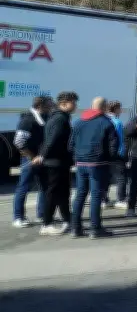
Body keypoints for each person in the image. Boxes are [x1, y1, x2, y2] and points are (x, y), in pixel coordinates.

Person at [70, 97, 119, 239]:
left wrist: (77, 157)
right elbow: (113, 146)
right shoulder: (106, 123)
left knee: (80, 194)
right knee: (96, 195)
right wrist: (110, 159)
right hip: (98, 164)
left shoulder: (78, 122)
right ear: (104, 108)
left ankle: (75, 228)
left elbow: (71, 144)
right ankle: (95, 228)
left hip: (81, 163)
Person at [36, 91, 78, 236]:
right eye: (73, 102)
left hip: (59, 162)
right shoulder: (60, 119)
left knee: (63, 193)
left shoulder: (58, 117)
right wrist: (42, 156)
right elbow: (52, 140)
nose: (75, 105)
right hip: (55, 163)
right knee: (53, 193)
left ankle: (68, 220)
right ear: (64, 103)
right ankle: (46, 223)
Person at [11, 95, 51, 228]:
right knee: (24, 187)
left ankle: (42, 214)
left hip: (40, 158)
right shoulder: (28, 120)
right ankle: (18, 217)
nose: (51, 106)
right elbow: (18, 142)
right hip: (30, 159)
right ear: (40, 105)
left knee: (44, 186)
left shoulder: (43, 118)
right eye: (49, 104)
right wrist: (32, 157)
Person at [105, 100, 127, 209]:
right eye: (120, 108)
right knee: (121, 177)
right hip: (117, 153)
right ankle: (121, 199)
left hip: (105, 153)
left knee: (106, 177)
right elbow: (120, 139)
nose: (121, 110)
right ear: (116, 109)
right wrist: (123, 151)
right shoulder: (117, 122)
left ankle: (103, 199)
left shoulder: (104, 120)